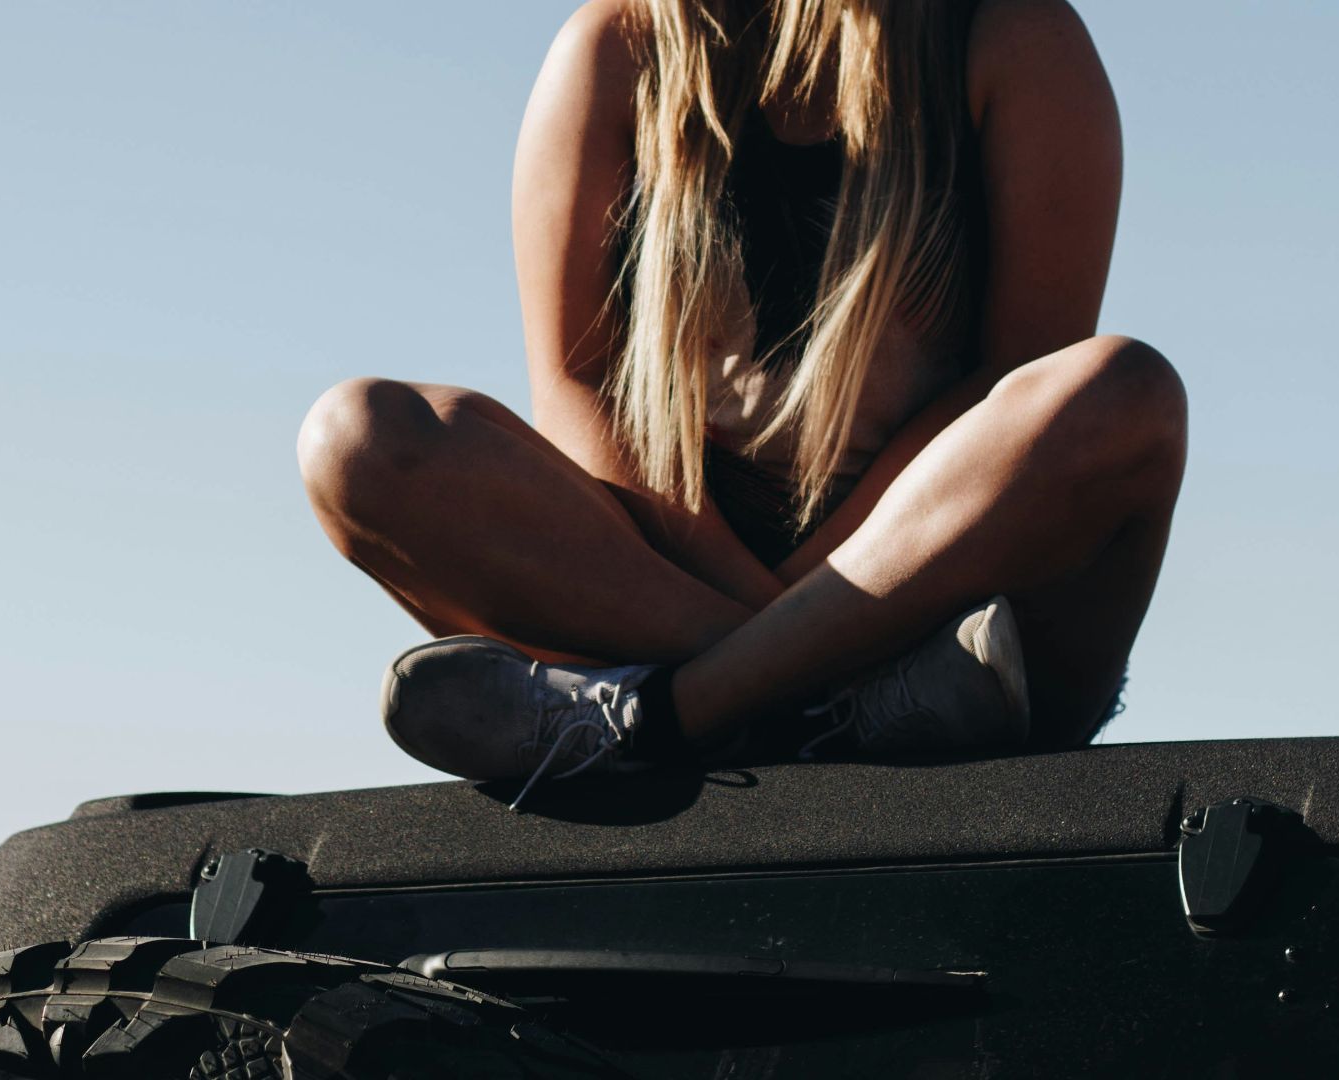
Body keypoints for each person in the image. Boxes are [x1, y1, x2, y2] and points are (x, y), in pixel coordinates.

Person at [297, 0, 1186, 806]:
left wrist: (817, 609)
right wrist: (768, 623)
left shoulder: (1013, 37)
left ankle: (656, 720)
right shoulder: (617, 46)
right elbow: (575, 384)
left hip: (957, 622)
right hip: (665, 587)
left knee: (1122, 396)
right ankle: (820, 710)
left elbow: (1007, 402)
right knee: (359, 441)